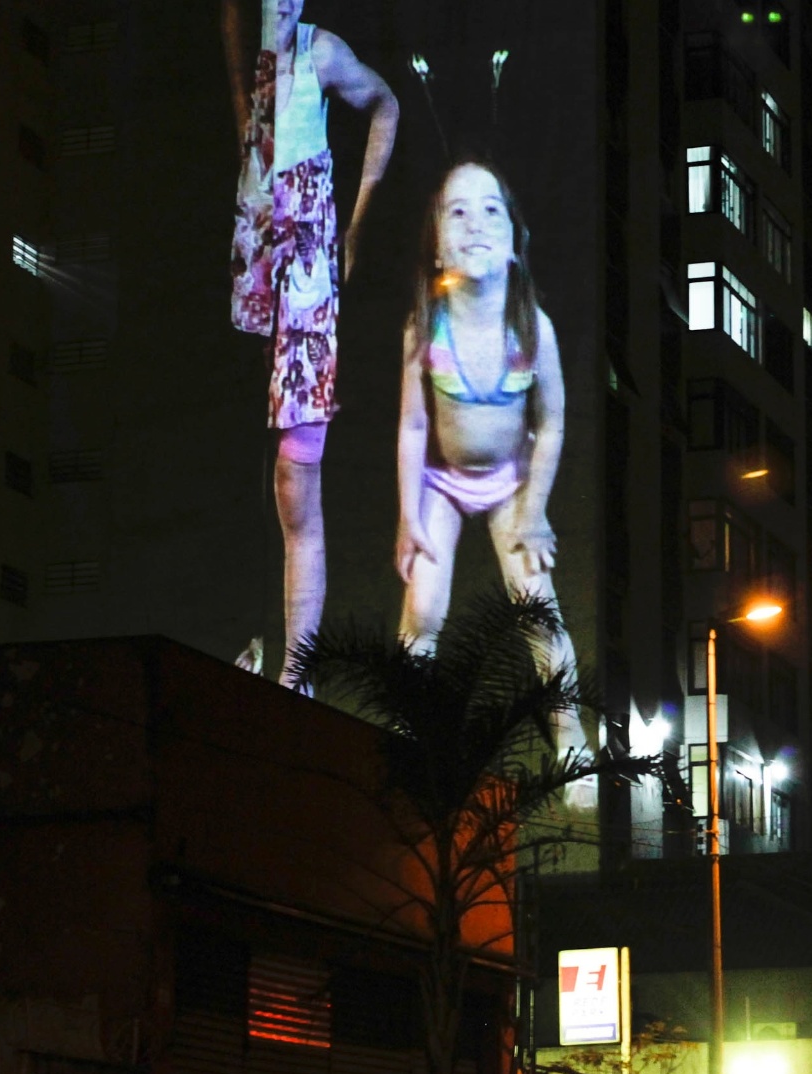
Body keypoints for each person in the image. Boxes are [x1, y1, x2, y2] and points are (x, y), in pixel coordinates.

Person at [223, 0, 398, 690]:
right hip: (257, 266)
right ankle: (268, 652)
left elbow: (384, 103)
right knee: (264, 475)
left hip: (305, 279)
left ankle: (297, 673)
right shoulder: (248, 58)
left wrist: (356, 225)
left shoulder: (321, 53)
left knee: (300, 475)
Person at [397, 160, 584, 759]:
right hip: (444, 482)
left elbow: (551, 421)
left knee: (539, 610)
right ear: (436, 247)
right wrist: (408, 516)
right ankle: (407, 729)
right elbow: (413, 423)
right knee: (423, 607)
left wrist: (534, 511)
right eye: (456, 211)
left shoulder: (533, 328)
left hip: (510, 485)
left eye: (490, 209)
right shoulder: (425, 326)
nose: (474, 223)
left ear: (514, 242)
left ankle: (571, 740)